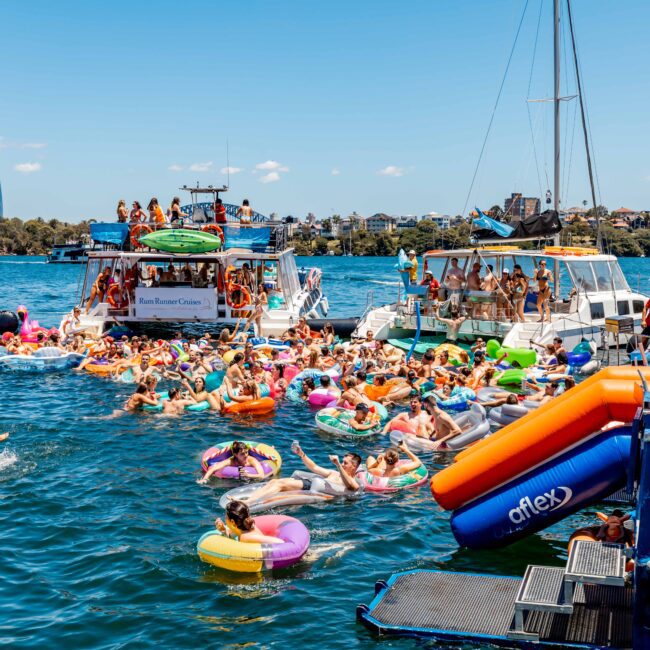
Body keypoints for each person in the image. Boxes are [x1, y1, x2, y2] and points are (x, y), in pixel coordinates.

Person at [238, 443, 361, 502]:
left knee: (280, 485)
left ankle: (249, 502)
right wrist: (301, 454)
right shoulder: (334, 473)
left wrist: (338, 464)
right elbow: (314, 467)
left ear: (354, 466)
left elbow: (350, 486)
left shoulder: (354, 483)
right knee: (274, 481)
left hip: (312, 487)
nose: (343, 464)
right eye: (342, 462)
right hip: (309, 484)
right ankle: (250, 498)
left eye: (346, 463)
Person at [214, 500, 284, 544]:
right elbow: (231, 534)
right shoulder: (248, 527)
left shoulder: (245, 537)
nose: (225, 518)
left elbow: (280, 542)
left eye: (226, 516)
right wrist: (223, 531)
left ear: (232, 522)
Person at [200, 441, 267, 483]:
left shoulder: (252, 460)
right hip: (232, 480)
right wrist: (204, 479)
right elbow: (213, 469)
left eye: (246, 452)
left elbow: (262, 475)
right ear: (235, 455)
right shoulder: (231, 461)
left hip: (251, 481)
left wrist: (248, 475)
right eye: (242, 454)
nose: (246, 455)